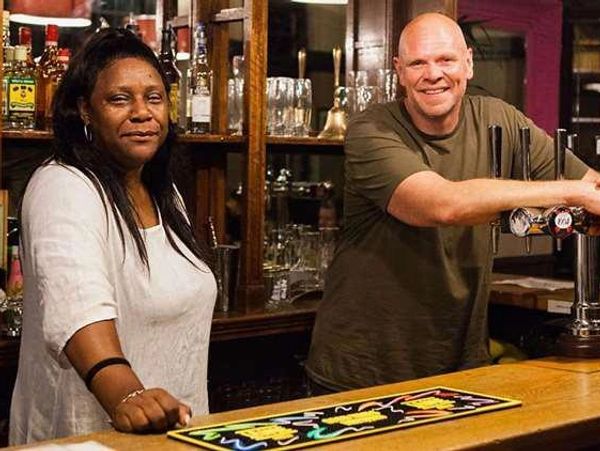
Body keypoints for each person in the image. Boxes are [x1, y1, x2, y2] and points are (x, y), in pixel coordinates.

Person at [306, 12, 600, 393]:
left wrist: (584, 192)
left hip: (460, 365)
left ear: (469, 63)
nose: (433, 74)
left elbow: (589, 182)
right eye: (418, 63)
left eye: (445, 59)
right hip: (364, 370)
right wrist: (569, 194)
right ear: (399, 71)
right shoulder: (372, 129)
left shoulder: (500, 120)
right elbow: (442, 205)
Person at [9, 28, 217, 444]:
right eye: (120, 99)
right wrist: (127, 393)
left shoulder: (164, 193)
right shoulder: (63, 186)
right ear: (85, 110)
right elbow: (77, 305)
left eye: (154, 98)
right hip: (86, 438)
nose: (142, 112)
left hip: (175, 434)